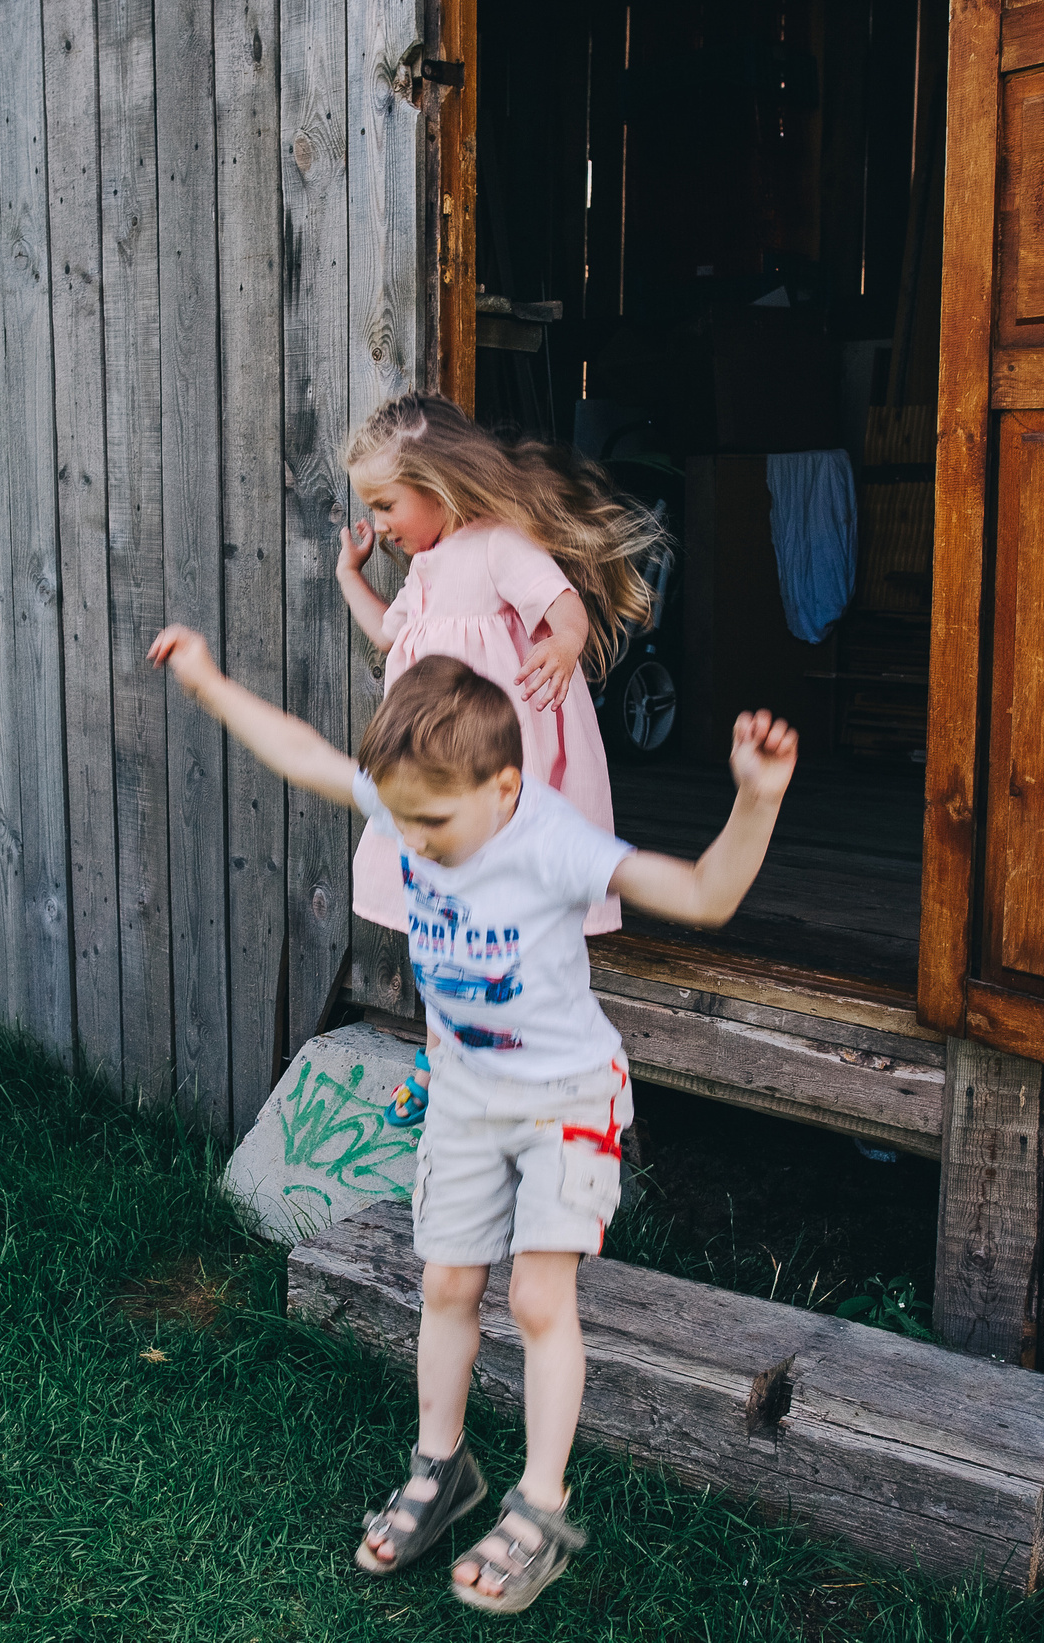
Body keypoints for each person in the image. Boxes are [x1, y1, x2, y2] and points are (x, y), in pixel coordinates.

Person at [147, 628, 796, 1615]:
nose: (413, 842)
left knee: (538, 1300)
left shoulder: (551, 841)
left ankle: (539, 1509)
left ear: (501, 790)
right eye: (400, 820)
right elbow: (299, 752)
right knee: (446, 1283)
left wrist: (756, 798)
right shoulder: (419, 797)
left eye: (433, 824)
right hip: (462, 1093)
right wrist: (203, 680)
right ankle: (440, 1469)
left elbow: (702, 895)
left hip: (565, 1099)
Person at [337, 392, 666, 947]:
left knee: (505, 884)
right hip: (440, 755)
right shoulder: (424, 569)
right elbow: (389, 634)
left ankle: (510, 1007)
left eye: (386, 505)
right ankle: (452, 1026)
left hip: (502, 751)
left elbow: (563, 604)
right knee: (445, 891)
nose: (378, 523)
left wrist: (564, 644)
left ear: (436, 483)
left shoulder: (496, 544)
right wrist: (350, 575)